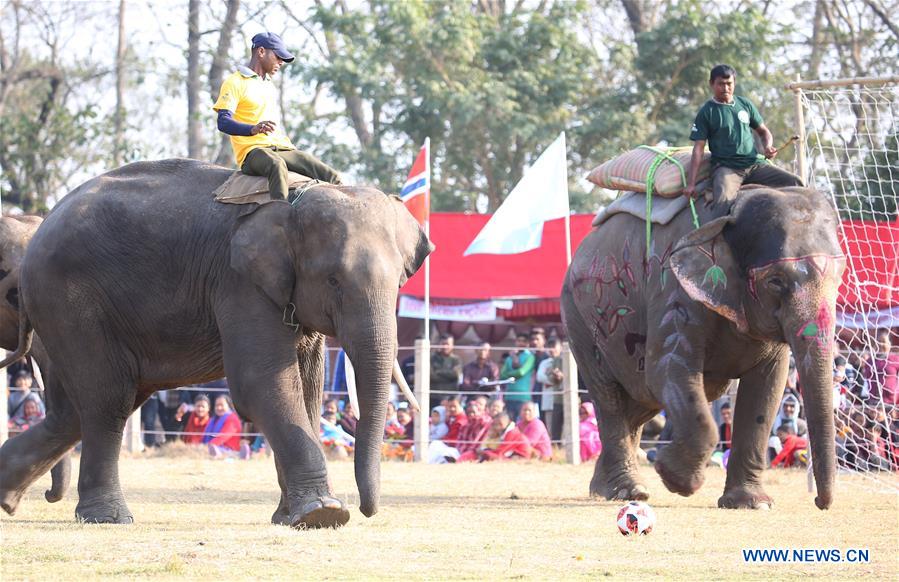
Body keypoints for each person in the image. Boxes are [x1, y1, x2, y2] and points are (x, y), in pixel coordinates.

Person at [212, 32, 341, 201]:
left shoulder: (269, 85)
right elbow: (223, 122)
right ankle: (280, 215)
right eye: (278, 56)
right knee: (277, 165)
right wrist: (253, 129)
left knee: (329, 174)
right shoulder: (235, 82)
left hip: (282, 148)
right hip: (253, 152)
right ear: (261, 52)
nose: (281, 62)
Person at [685, 64, 803, 204]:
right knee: (723, 203)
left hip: (754, 164)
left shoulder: (745, 104)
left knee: (795, 182)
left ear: (734, 83)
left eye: (729, 84)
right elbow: (698, 148)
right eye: (721, 84)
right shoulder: (707, 111)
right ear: (712, 84)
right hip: (727, 168)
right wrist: (691, 184)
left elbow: (764, 132)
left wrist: (768, 147)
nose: (725, 88)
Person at [500, 333, 536, 421]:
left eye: (523, 341)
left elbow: (521, 372)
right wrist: (511, 375)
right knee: (509, 422)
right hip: (509, 396)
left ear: (527, 344)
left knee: (522, 423)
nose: (521, 343)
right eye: (519, 341)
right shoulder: (510, 358)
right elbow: (502, 375)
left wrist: (509, 375)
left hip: (523, 396)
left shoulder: (530, 357)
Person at [861, 328, 899, 407]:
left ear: (889, 344)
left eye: (883, 342)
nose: (881, 344)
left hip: (891, 402)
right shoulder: (870, 361)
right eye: (879, 341)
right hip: (873, 401)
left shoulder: (895, 359)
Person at [537, 338, 565, 442]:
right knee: (550, 426)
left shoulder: (566, 360)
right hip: (549, 400)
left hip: (563, 399)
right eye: (549, 347)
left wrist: (561, 377)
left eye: (554, 347)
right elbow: (540, 377)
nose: (552, 350)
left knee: (565, 426)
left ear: (561, 348)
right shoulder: (545, 362)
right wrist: (554, 379)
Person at [430, 335, 462, 406]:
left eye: (447, 344)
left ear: (452, 345)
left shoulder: (456, 360)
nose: (445, 346)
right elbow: (431, 376)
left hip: (450, 397)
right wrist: (448, 376)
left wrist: (438, 372)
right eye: (443, 344)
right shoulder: (431, 359)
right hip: (433, 397)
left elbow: (455, 375)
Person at [529, 328, 549, 405]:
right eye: (532, 339)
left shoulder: (548, 357)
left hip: (545, 391)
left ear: (544, 341)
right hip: (533, 391)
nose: (534, 342)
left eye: (537, 339)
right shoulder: (530, 356)